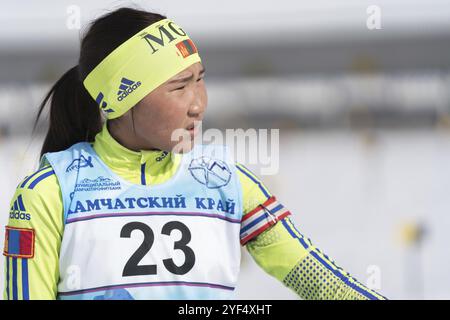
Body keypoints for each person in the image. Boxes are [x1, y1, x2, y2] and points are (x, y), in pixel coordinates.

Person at [2, 7, 386, 300]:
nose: (198, 104)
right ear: (122, 97)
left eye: (200, 80)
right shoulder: (50, 192)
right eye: (180, 86)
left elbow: (318, 280)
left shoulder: (223, 179)